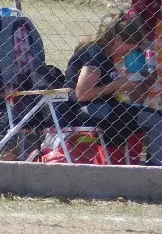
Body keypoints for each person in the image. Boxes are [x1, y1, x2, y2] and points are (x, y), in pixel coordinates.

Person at [65, 14, 162, 164]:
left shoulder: (106, 54)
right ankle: (155, 170)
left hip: (102, 107)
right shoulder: (95, 53)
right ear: (117, 40)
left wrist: (123, 85)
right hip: (85, 110)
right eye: (130, 48)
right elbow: (82, 94)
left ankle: (128, 166)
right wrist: (116, 85)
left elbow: (102, 87)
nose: (130, 53)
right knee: (157, 119)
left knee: (150, 116)